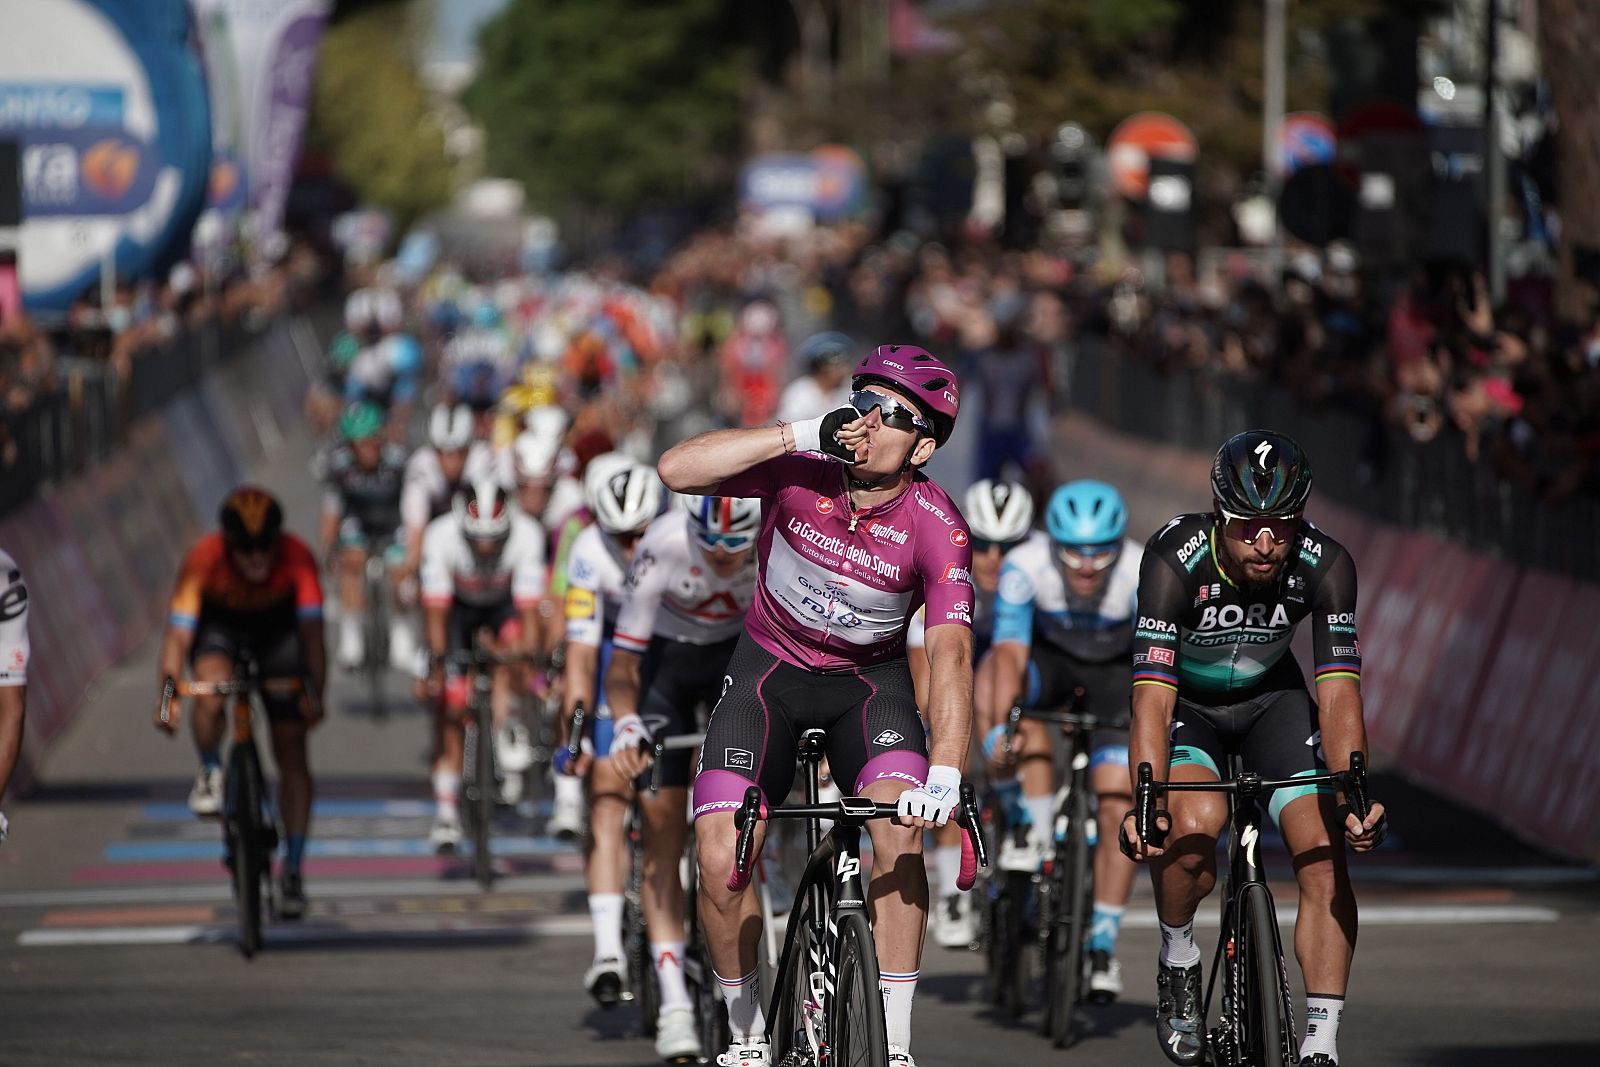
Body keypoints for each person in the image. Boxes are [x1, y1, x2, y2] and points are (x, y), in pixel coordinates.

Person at [659, 344, 975, 1067]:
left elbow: (951, 655)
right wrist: (800, 432)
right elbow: (677, 469)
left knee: (899, 830)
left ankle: (892, 1043)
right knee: (718, 856)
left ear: (922, 444)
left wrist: (947, 774)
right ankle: (745, 1031)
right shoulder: (802, 468)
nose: (867, 419)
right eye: (859, 398)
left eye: (889, 413)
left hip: (868, 687)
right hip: (766, 674)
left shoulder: (937, 522)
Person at [1121, 430, 1389, 1067]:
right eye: (1247, 528)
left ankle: (1321, 1043)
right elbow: (1151, 701)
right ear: (1220, 516)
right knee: (1191, 830)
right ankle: (1178, 957)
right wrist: (1145, 797)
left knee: (1323, 854)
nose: (1266, 543)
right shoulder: (1173, 559)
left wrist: (1354, 791)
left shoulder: (1325, 565)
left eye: (1281, 526)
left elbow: (1341, 694)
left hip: (1276, 704)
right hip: (1190, 707)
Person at [605, 493, 761, 1062]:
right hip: (666, 669)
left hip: (737, 664)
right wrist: (625, 724)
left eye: (735, 545)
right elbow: (622, 663)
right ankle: (673, 1002)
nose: (723, 555)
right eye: (711, 542)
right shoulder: (664, 543)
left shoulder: (774, 539)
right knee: (663, 827)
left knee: (742, 814)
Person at [984, 479, 1143, 1000]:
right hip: (1049, 668)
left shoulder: (1142, 571)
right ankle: (1034, 827)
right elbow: (1009, 651)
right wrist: (1007, 723)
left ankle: (1101, 944)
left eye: (1101, 552)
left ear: (1119, 546)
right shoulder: (1025, 566)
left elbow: (1160, 668)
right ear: (1052, 542)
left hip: (1116, 676)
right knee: (998, 683)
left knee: (1119, 796)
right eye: (1073, 551)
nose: (1086, 565)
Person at [155, 487, 327, 918]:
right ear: (228, 544)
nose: (255, 557)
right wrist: (167, 697)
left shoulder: (298, 557)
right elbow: (178, 636)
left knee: (292, 751)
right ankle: (211, 767)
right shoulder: (202, 560)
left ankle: (293, 870)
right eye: (245, 548)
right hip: (221, 631)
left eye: (264, 547)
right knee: (212, 688)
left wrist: (315, 693)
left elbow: (312, 637)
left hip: (278, 634)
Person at [553, 453, 665, 1004]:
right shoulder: (587, 550)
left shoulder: (675, 540)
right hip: (609, 661)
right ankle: (607, 951)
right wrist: (573, 731)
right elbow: (579, 653)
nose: (627, 547)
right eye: (617, 535)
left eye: (636, 534)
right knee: (606, 796)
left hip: (667, 658)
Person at [907, 478, 1033, 949]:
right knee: (934, 739)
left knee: (1021, 714)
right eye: (984, 545)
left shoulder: (1032, 577)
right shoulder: (942, 570)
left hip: (1005, 676)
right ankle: (950, 895)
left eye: (1009, 546)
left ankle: (1024, 817)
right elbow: (927, 688)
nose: (995, 560)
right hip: (949, 667)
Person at [417, 479, 547, 850]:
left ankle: (511, 726)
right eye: (478, 541)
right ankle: (446, 815)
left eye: (495, 539)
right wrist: (437, 667)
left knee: (518, 651)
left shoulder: (527, 534)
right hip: (457, 611)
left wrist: (527, 657)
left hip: (503, 606)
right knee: (451, 703)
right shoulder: (440, 536)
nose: (487, 547)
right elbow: (436, 613)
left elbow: (529, 613)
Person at [320, 401, 409, 670]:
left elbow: (414, 505)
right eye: (358, 444)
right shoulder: (338, 467)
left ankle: (400, 630)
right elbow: (331, 513)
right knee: (351, 560)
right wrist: (328, 552)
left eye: (371, 442)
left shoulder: (399, 462)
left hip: (393, 522)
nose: (366, 450)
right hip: (357, 523)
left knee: (399, 568)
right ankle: (351, 636)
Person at [0, 551, 28, 844]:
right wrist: (166, 703)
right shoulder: (197, 567)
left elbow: (13, 707)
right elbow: (174, 644)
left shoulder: (6, 579)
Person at [775, 331, 853, 424]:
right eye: (839, 365)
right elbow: (788, 429)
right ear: (823, 368)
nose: (845, 370)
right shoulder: (800, 393)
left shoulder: (848, 390)